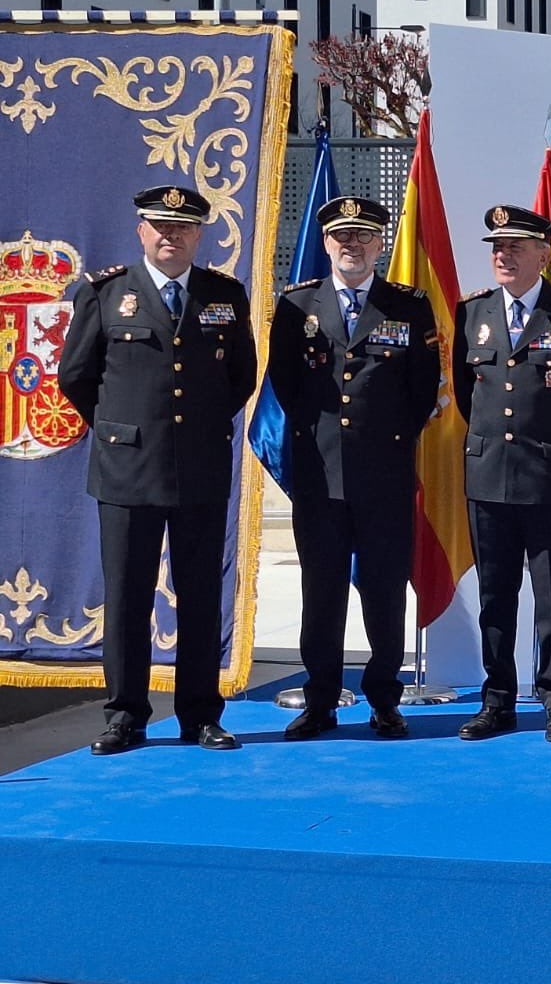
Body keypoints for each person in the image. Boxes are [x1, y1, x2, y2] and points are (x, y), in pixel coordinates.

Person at [58, 185, 256, 754]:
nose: (171, 236)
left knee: (199, 595)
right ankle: (125, 716)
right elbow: (76, 375)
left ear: (200, 235)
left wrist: (195, 428)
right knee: (127, 596)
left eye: (183, 228)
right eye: (160, 226)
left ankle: (200, 715)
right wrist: (120, 430)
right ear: (141, 231)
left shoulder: (224, 295)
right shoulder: (105, 292)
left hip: (198, 467)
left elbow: (240, 375)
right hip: (126, 471)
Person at [267, 196, 440, 742]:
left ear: (379, 244)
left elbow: (420, 391)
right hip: (319, 474)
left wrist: (382, 443)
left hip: (384, 473)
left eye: (364, 236)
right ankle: (320, 701)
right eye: (342, 236)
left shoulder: (408, 305)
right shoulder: (298, 305)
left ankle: (385, 701)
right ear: (325, 243)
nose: (352, 245)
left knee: (385, 590)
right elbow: (286, 385)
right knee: (321, 592)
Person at [452, 206, 551, 743]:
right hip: (488, 478)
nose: (503, 255)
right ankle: (496, 700)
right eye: (497, 247)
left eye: (516, 246)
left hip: (550, 478)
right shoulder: (470, 312)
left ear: (544, 254)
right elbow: (465, 392)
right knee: (496, 597)